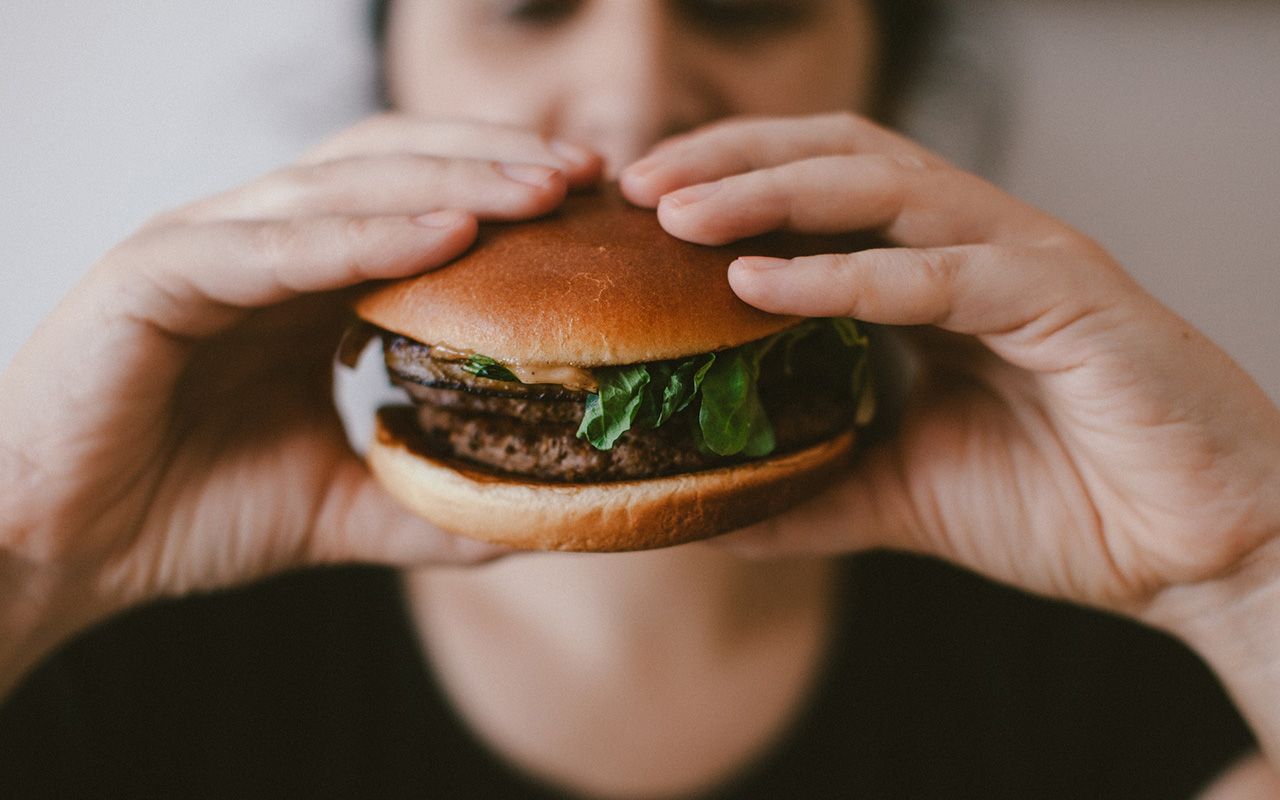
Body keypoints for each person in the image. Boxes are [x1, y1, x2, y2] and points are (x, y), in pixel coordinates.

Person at [1, 1, 1278, 796]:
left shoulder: (1099, 661)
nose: (633, 94)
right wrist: (27, 558)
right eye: (526, 5)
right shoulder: (117, 657)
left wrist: (1249, 575)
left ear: (876, 88)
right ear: (390, 79)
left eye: (746, 4)